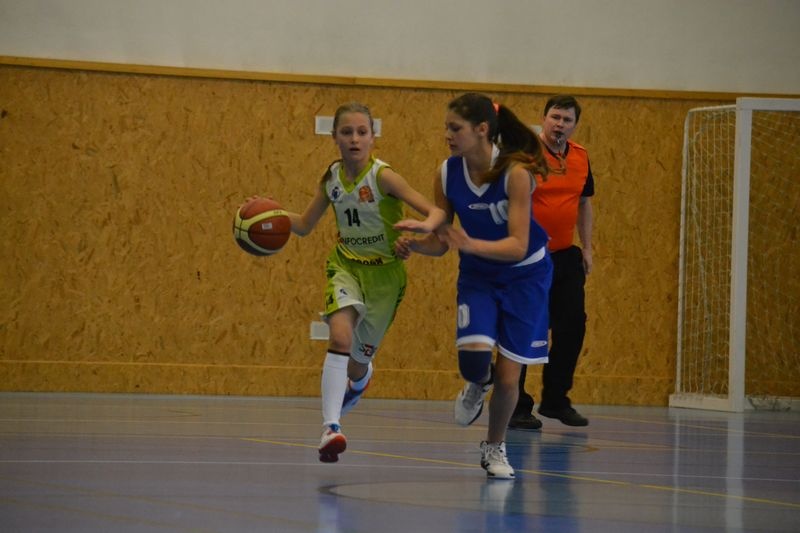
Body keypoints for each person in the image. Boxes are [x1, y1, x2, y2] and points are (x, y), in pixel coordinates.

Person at [395, 93, 552, 479]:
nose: (447, 135)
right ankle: (478, 384)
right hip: (479, 276)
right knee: (474, 362)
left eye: (455, 128)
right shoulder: (447, 173)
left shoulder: (516, 173)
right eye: (446, 127)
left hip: (526, 277)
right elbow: (442, 242)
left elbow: (517, 245)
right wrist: (416, 244)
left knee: (510, 379)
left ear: (482, 129)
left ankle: (495, 447)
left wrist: (469, 243)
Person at [281, 102, 446, 463]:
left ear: (372, 137)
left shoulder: (384, 177)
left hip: (385, 278)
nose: (354, 139)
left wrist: (421, 231)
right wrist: (271, 213)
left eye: (361, 132)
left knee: (356, 363)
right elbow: (305, 225)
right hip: (346, 266)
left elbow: (435, 212)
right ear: (334, 137)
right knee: (340, 336)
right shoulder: (331, 179)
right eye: (347, 132)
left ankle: (360, 378)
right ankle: (331, 428)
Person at [509, 94, 594, 430]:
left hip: (564, 255)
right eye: (555, 117)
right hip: (528, 257)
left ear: (575, 125)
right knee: (524, 328)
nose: (560, 124)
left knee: (573, 325)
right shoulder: (525, 154)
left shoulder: (581, 158)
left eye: (567, 120)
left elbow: (584, 203)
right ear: (544, 119)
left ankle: (556, 399)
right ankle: (516, 405)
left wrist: (587, 248)